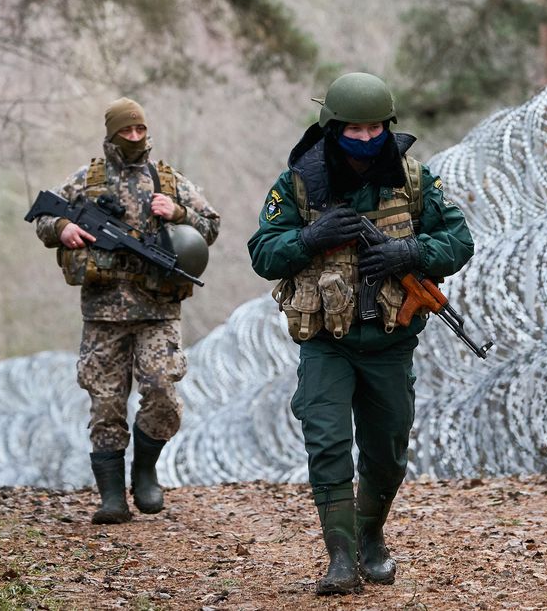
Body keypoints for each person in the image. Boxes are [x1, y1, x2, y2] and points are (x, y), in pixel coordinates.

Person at [247, 72, 475, 594]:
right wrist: (308, 238)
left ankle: (371, 537)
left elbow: (458, 240)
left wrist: (411, 252)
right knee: (327, 442)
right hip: (327, 344)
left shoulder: (414, 180)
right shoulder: (299, 184)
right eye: (356, 128)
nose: (368, 138)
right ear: (333, 128)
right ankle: (341, 558)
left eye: (377, 129)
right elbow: (264, 252)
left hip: (390, 345)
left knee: (387, 450)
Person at [33, 97, 220, 524]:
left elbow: (210, 226)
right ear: (112, 133)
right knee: (105, 403)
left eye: (140, 131)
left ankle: (145, 471)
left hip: (159, 311)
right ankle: (112, 497)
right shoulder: (88, 178)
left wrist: (179, 212)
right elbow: (44, 217)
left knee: (161, 395)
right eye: (126, 131)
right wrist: (64, 229)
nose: (134, 138)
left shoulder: (168, 179)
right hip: (103, 313)